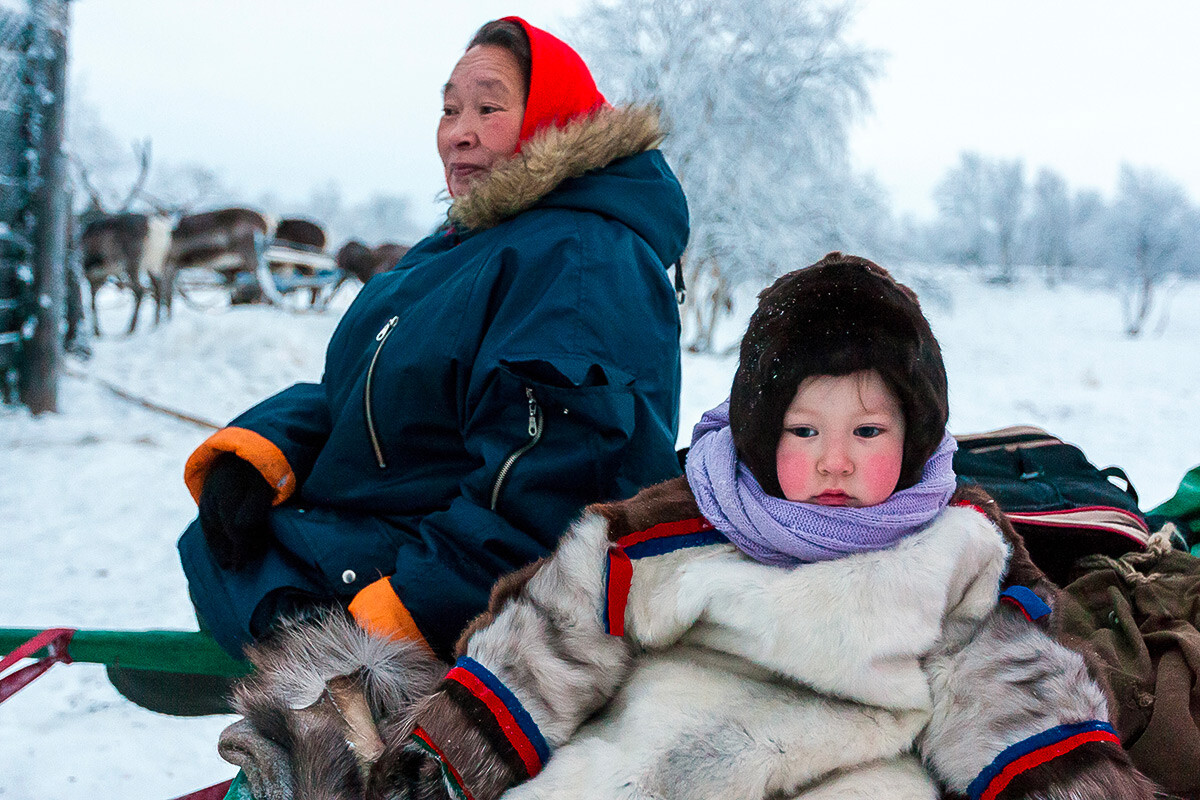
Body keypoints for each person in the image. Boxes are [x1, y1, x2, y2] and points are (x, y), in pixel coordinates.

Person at [371, 254, 1156, 799]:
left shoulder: (953, 544)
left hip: (855, 768)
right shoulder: (682, 524)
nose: (835, 463)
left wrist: (1067, 780)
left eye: (869, 434)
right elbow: (560, 628)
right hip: (651, 753)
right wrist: (461, 746)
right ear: (758, 430)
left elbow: (1001, 680)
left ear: (914, 437)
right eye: (805, 432)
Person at [176, 17, 689, 662]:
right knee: (225, 547)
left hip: (453, 593)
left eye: (487, 107)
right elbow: (370, 388)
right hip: (387, 534)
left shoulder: (578, 257)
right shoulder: (459, 248)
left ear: (553, 117)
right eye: (449, 109)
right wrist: (259, 453)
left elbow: (558, 484)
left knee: (246, 574)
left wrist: (404, 615)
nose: (459, 132)